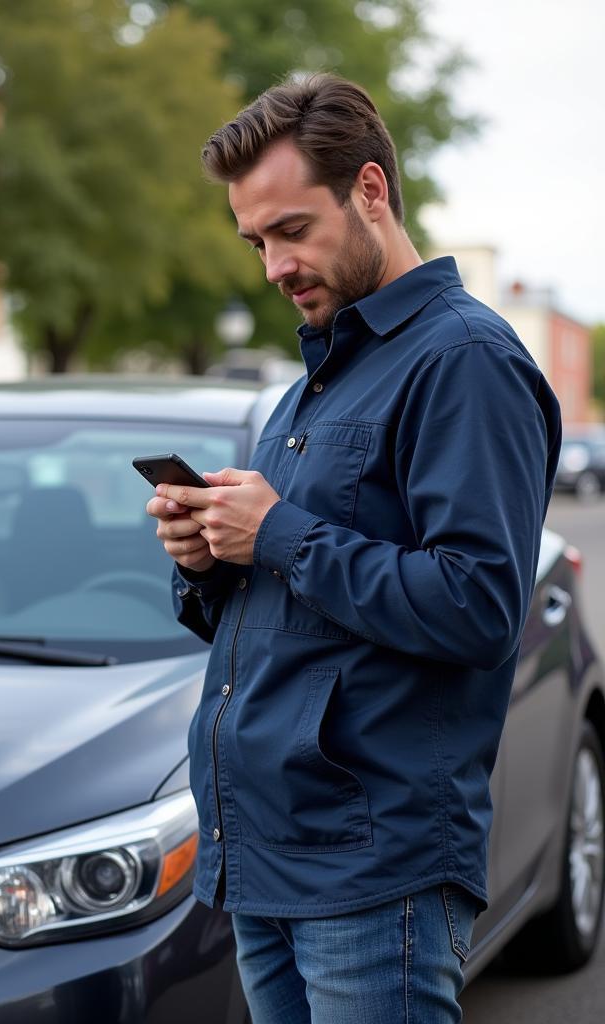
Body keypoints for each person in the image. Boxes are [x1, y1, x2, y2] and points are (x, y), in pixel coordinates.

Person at [146, 73, 561, 1023]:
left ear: (370, 191)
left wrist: (279, 532)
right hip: (266, 855)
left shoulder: (465, 361)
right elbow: (294, 602)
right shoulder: (317, 381)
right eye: (256, 242)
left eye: (293, 230)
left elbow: (480, 605)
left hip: (377, 871)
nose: (273, 267)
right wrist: (210, 559)